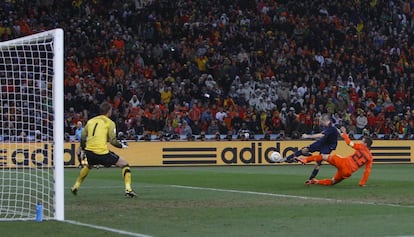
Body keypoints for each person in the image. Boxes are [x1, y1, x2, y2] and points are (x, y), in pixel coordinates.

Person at [71, 102, 136, 197]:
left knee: (89, 166)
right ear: (109, 111)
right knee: (124, 164)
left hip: (89, 151)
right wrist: (122, 145)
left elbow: (83, 137)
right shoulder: (110, 123)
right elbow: (113, 141)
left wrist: (84, 148)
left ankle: (75, 186)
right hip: (101, 153)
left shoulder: (91, 121)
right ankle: (128, 189)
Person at [297, 126, 373, 186]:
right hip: (347, 172)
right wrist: (362, 183)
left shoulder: (362, 147)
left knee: (323, 156)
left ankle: (305, 160)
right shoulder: (370, 157)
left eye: (362, 141)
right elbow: (367, 171)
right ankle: (316, 182)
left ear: (365, 144)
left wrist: (344, 133)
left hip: (343, 162)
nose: (361, 142)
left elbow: (349, 143)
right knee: (333, 182)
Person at [283, 113, 339, 184]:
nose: (320, 122)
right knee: (305, 149)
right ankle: (288, 158)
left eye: (321, 120)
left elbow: (321, 135)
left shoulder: (332, 128)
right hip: (322, 142)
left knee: (318, 163)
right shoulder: (326, 126)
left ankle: (310, 180)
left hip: (328, 146)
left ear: (325, 120)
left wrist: (308, 136)